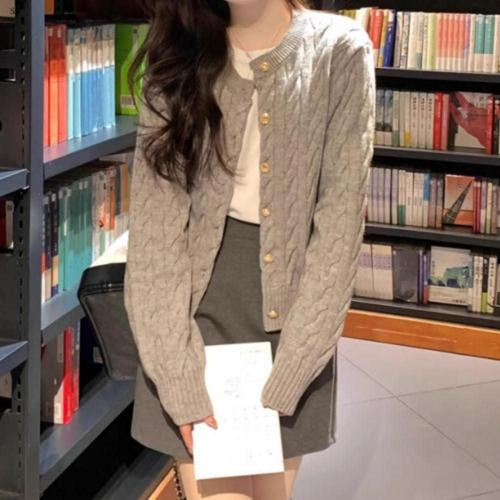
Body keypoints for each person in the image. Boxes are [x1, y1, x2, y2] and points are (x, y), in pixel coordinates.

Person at [123, 0, 376, 498]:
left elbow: (339, 227)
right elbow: (154, 237)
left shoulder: (340, 50)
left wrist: (296, 367)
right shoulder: (177, 54)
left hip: (294, 324)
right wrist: (178, 376)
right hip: (192, 322)